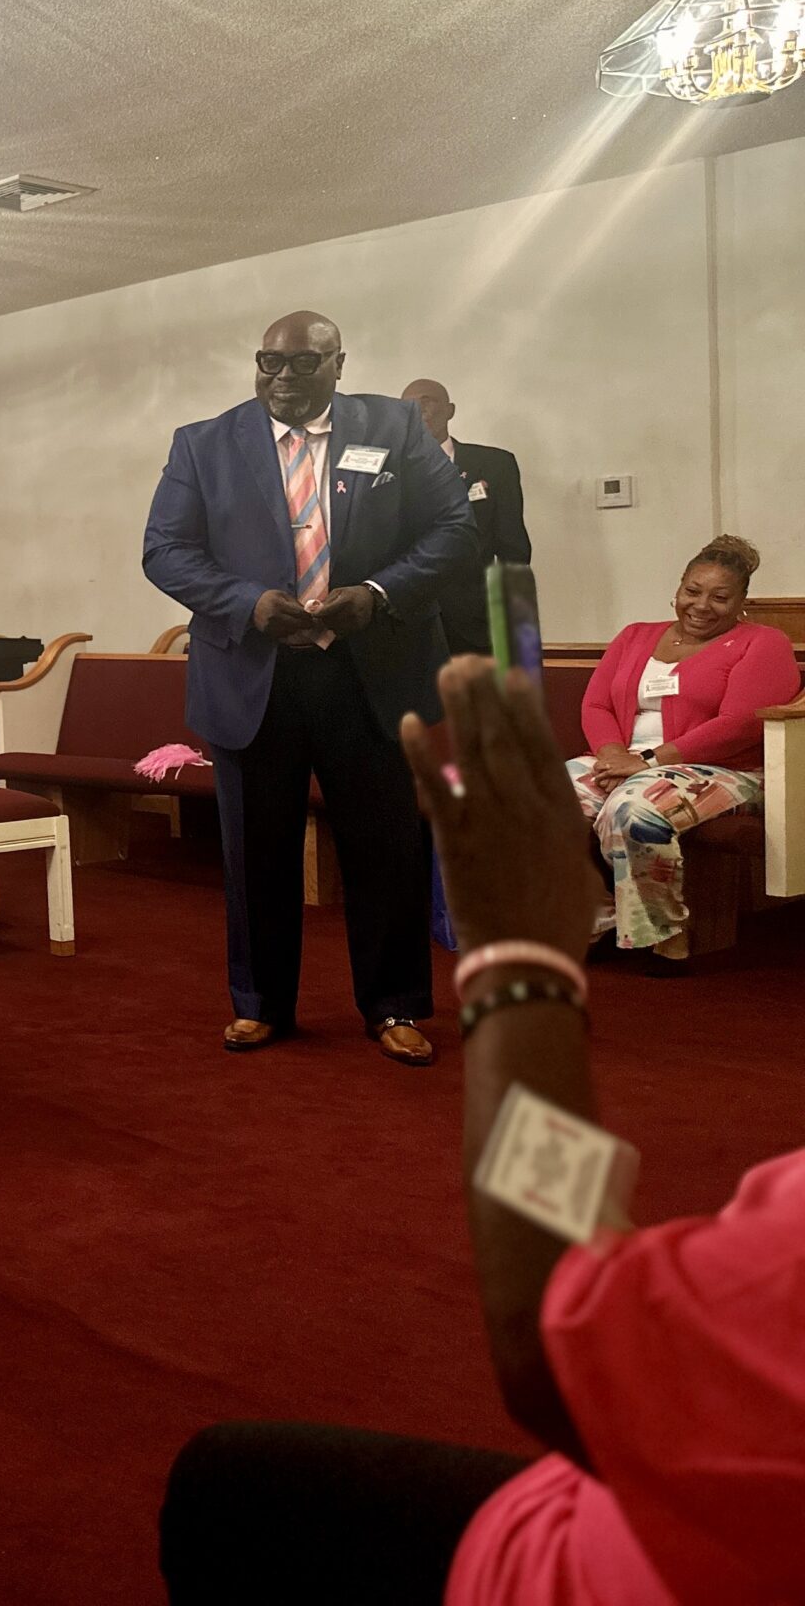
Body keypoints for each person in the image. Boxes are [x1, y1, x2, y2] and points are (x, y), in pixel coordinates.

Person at [158, 657, 805, 1604]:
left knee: (226, 1488)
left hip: (548, 1568)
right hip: (636, 1504)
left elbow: (558, 1334)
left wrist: (520, 962)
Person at [143, 311, 476, 1064]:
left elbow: (455, 530)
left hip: (371, 671)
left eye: (302, 364)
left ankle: (394, 1004)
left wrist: (381, 593)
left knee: (385, 849)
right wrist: (245, 603)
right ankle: (260, 1004)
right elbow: (165, 550)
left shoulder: (394, 427)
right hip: (254, 675)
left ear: (338, 364)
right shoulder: (203, 443)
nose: (283, 378)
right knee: (256, 852)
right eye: (270, 363)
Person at [569, 535, 799, 960]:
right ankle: (597, 916)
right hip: (622, 761)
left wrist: (648, 762)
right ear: (678, 588)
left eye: (720, 597)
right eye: (692, 591)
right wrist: (612, 754)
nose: (701, 605)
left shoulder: (764, 642)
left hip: (723, 769)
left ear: (741, 602)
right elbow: (596, 704)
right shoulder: (635, 635)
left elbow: (740, 725)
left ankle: (665, 930)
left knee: (633, 809)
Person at [402, 379, 532, 658]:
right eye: (408, 406)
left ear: (450, 410)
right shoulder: (387, 470)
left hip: (477, 622)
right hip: (407, 621)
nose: (418, 410)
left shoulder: (494, 465)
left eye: (426, 401)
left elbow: (513, 550)